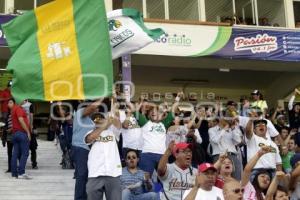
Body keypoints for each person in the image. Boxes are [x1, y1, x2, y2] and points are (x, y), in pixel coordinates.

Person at [85, 109, 122, 200]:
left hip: (113, 173)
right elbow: (91, 138)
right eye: (95, 119)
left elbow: (119, 125)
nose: (97, 120)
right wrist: (105, 124)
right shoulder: (89, 132)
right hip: (95, 173)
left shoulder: (113, 132)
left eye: (100, 118)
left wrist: (114, 112)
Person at [72, 99, 103, 200]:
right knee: (82, 176)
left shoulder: (92, 119)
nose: (97, 109)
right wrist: (102, 97)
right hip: (80, 148)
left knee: (87, 176)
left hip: (88, 150)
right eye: (95, 107)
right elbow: (92, 107)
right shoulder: (80, 113)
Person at [8, 98, 31, 179]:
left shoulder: (13, 109)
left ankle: (14, 174)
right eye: (25, 100)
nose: (26, 102)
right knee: (25, 153)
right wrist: (28, 132)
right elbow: (21, 120)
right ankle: (21, 172)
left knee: (15, 154)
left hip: (15, 134)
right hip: (22, 133)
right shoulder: (18, 108)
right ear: (19, 100)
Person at [21, 99, 38, 169]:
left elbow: (31, 116)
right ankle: (34, 163)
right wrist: (31, 127)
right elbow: (31, 116)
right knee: (33, 147)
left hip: (22, 127)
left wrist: (31, 127)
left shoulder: (19, 104)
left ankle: (23, 163)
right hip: (27, 127)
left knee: (24, 147)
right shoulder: (30, 104)